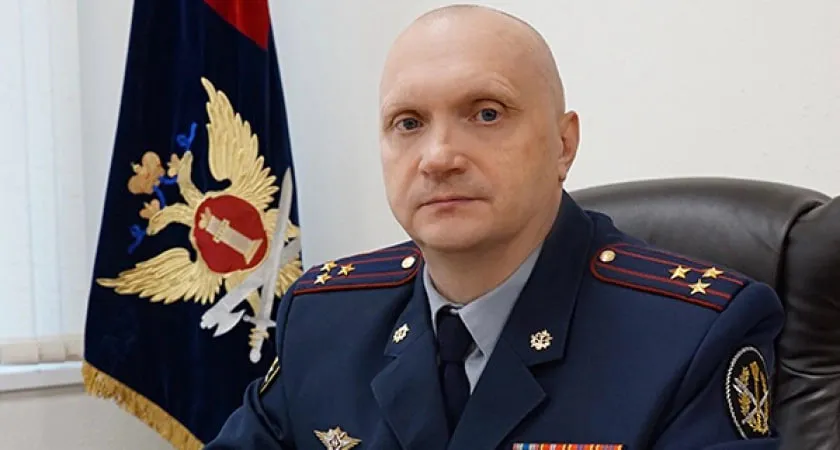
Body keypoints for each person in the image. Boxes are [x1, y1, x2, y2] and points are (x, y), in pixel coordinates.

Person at [205, 4, 784, 449]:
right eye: (408, 123)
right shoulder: (324, 317)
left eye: (486, 113)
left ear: (563, 145)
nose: (438, 157)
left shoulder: (691, 336)